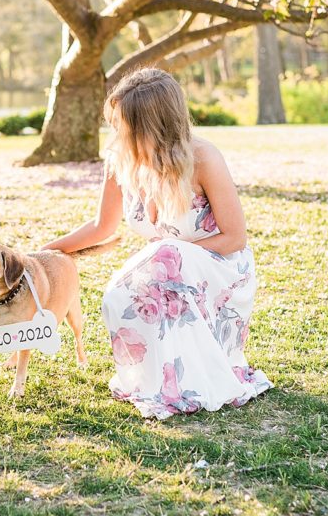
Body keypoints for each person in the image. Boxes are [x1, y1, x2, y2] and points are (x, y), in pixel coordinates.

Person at [42, 68, 273, 419]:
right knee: (117, 294)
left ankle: (186, 382)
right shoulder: (121, 160)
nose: (119, 136)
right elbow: (101, 226)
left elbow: (235, 237)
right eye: (116, 125)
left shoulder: (203, 159)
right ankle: (152, 379)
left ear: (155, 126)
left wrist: (173, 254)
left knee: (166, 254)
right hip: (162, 266)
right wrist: (49, 250)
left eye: (127, 127)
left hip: (220, 269)